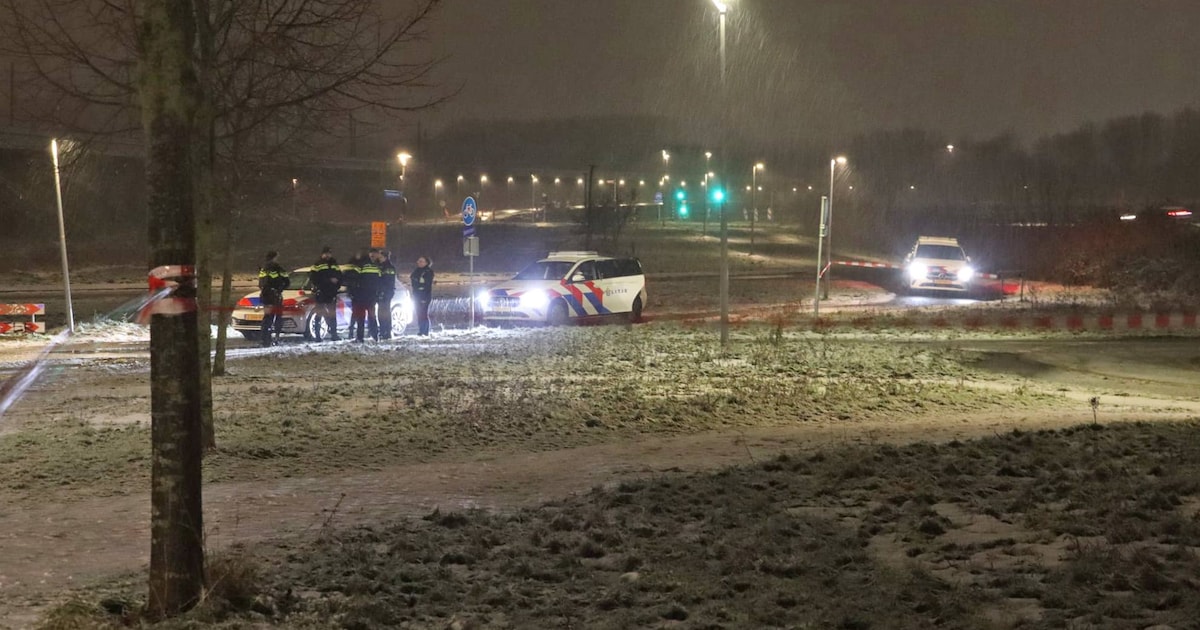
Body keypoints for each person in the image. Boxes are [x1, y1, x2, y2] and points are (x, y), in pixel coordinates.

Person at [308, 245, 342, 341]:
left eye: (329, 253)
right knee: (319, 314)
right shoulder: (317, 264)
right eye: (326, 253)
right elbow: (313, 278)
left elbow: (339, 276)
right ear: (322, 254)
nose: (328, 255)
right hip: (321, 291)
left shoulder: (334, 264)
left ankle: (334, 334)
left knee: (332, 314)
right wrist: (328, 280)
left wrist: (336, 284)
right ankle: (318, 336)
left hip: (331, 292)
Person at [257, 250, 290, 347]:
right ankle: (276, 338)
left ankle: (265, 340)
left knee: (267, 318)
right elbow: (287, 282)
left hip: (265, 296)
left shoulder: (263, 269)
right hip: (274, 297)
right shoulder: (277, 268)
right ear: (274, 257)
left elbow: (261, 283)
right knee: (277, 317)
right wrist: (279, 289)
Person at [349, 249, 381, 342]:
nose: (373, 255)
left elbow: (379, 281)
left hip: (369, 296)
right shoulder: (364, 265)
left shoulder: (376, 266)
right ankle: (362, 337)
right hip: (363, 296)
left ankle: (373, 336)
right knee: (362, 317)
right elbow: (354, 279)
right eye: (371, 254)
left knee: (369, 317)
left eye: (374, 254)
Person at [376, 249, 397, 339]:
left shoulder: (388, 267)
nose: (379, 258)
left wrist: (383, 291)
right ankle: (383, 330)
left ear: (384, 257)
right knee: (381, 312)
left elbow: (387, 281)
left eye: (380, 257)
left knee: (385, 312)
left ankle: (386, 331)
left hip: (386, 293)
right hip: (382, 292)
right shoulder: (381, 266)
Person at [410, 255, 434, 336]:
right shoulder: (416, 271)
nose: (418, 262)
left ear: (426, 263)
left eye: (421, 261)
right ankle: (421, 330)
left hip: (424, 296)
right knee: (419, 313)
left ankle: (425, 331)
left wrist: (420, 283)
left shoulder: (428, 271)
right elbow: (414, 281)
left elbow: (426, 284)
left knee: (423, 313)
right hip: (417, 295)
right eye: (418, 261)